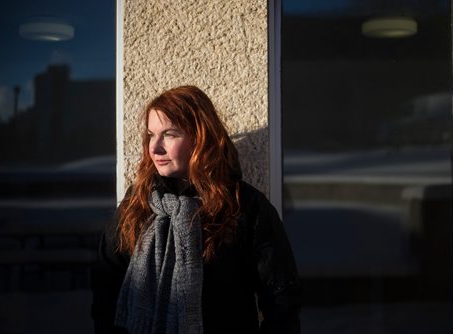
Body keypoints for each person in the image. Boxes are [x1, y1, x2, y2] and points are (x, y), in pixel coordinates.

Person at [91, 85, 302, 334]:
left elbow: (281, 300)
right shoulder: (138, 202)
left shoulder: (243, 206)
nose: (155, 147)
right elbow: (107, 286)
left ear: (201, 138)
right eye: (151, 134)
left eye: (169, 134)